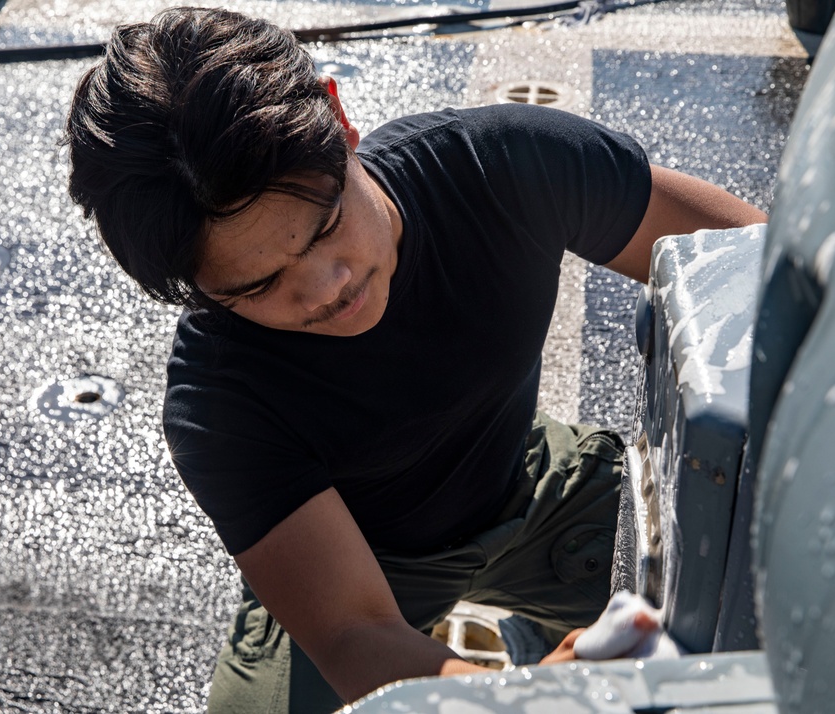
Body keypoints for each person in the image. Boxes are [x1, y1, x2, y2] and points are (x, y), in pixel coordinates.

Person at [63, 6, 767, 712]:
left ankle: (548, 618)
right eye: (259, 285)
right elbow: (353, 632)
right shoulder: (218, 400)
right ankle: (544, 643)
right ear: (199, 292)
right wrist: (532, 698)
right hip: (358, 561)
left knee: (755, 583)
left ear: (339, 121)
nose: (325, 287)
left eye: (326, 226)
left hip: (528, 485)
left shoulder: (504, 167)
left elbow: (758, 268)